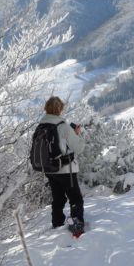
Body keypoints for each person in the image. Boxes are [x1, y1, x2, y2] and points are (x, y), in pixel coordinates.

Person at [40, 96, 86, 235]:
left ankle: (57, 224)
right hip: (66, 169)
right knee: (75, 198)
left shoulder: (41, 126)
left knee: (58, 198)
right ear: (60, 109)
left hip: (49, 169)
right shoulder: (63, 127)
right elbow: (78, 148)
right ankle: (77, 225)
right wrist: (78, 134)